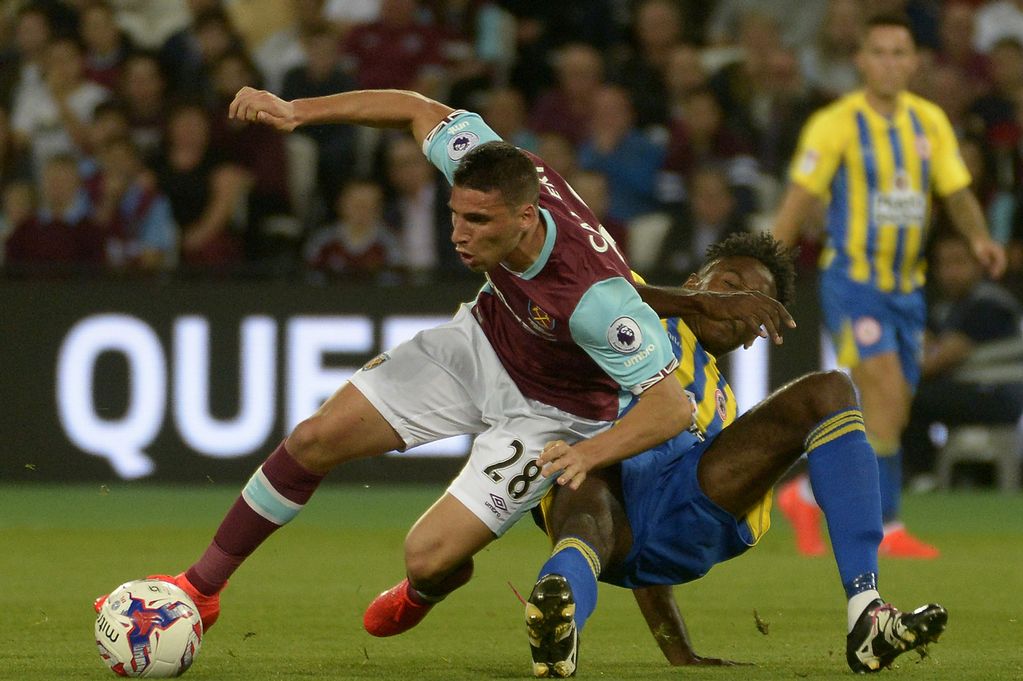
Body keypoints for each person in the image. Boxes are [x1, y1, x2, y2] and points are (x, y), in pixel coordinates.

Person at [94, 86, 795, 640]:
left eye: (477, 224)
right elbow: (413, 108)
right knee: (313, 438)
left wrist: (593, 453)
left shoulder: (594, 300)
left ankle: (429, 587)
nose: (458, 236)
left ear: (525, 220)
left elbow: (669, 404)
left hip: (551, 413)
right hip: (479, 344)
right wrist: (295, 111)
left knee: (425, 555)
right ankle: (201, 587)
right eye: (455, 215)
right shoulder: (495, 168)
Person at [527, 232, 948, 678]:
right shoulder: (631, 302)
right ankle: (559, 615)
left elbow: (650, 556)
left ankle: (868, 612)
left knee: (831, 388)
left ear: (755, 334)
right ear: (692, 282)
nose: (739, 302)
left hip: (684, 516)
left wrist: (678, 650)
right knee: (586, 474)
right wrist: (698, 304)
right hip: (598, 485)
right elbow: (576, 292)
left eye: (756, 303)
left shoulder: (724, 412)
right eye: (729, 285)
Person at [771, 13, 1006, 559]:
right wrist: (767, 269)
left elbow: (958, 192)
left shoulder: (929, 122)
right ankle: (884, 524)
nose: (890, 62)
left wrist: (979, 240)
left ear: (915, 63)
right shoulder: (835, 124)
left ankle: (809, 496)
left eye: (901, 53)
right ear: (860, 61)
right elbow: (798, 202)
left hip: (907, 289)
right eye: (879, 52)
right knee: (881, 387)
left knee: (893, 408)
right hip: (853, 281)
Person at [902, 233, 1023, 486]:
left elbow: (935, 361)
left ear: (979, 264)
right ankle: (936, 475)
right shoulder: (946, 308)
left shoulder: (989, 303)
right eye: (943, 264)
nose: (950, 272)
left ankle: (923, 477)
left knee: (911, 397)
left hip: (1002, 395)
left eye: (958, 262)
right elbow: (926, 346)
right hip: (973, 391)